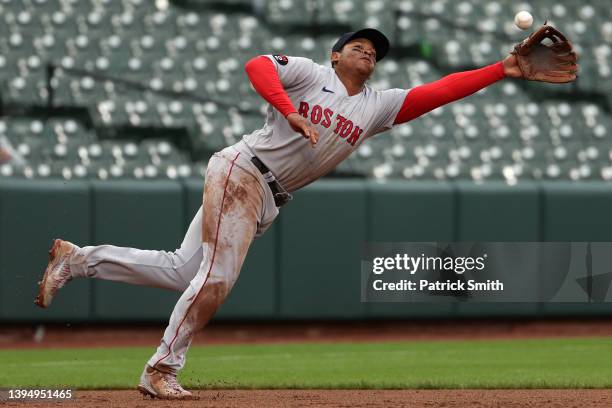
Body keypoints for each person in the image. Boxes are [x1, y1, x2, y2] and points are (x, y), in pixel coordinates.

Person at [34, 28, 575, 399]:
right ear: (336, 55)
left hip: (265, 195)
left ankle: (79, 261)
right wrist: (290, 112)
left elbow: (434, 93)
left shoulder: (375, 106)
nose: (368, 53)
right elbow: (256, 65)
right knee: (217, 277)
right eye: (358, 46)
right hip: (242, 171)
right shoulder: (311, 74)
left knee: (183, 270)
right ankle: (161, 369)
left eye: (374, 51)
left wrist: (501, 69)